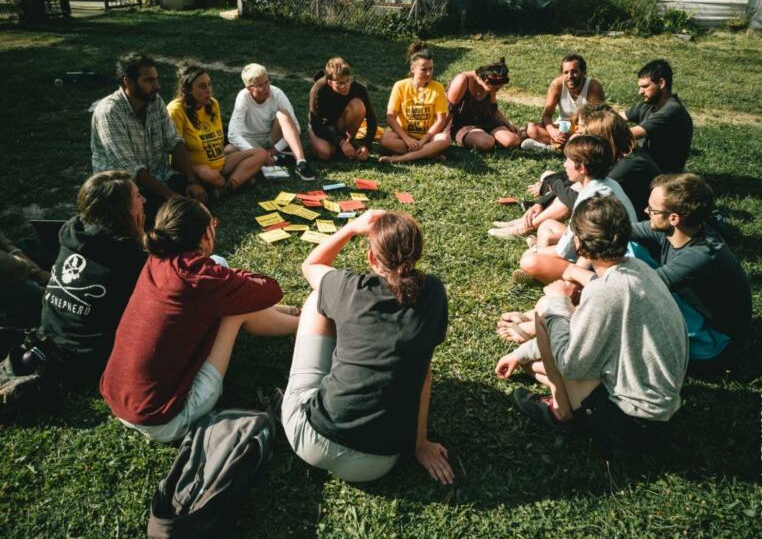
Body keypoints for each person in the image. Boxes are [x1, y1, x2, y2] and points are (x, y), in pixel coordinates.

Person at [495, 195, 688, 457]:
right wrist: (521, 354)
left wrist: (559, 303)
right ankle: (553, 385)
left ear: (578, 242)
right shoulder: (638, 269)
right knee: (535, 366)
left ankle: (560, 413)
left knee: (545, 309)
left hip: (631, 425)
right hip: (661, 410)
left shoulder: (603, 294)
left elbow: (570, 364)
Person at [100, 197, 300, 442]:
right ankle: (307, 324)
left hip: (119, 398)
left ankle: (292, 314)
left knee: (221, 271)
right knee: (233, 310)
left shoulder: (158, 259)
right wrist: (233, 279)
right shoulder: (199, 278)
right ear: (205, 234)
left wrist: (228, 279)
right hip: (167, 419)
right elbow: (270, 289)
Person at [282, 210, 453, 484]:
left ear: (372, 258)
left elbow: (311, 265)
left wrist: (351, 228)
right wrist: (420, 444)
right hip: (375, 464)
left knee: (317, 297)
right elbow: (424, 372)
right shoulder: (433, 292)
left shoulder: (346, 286)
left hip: (310, 440)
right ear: (417, 254)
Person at [34, 171, 148, 383]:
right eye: (138, 196)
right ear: (122, 210)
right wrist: (140, 240)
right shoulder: (127, 257)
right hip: (91, 357)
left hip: (49, 337)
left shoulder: (71, 231)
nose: (144, 200)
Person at [490, 103, 656, 240]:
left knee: (566, 195)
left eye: (588, 136)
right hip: (613, 221)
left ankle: (524, 227)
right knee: (556, 180)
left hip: (633, 232)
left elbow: (578, 197)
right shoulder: (619, 154)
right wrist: (540, 203)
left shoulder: (629, 166)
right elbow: (577, 183)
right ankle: (524, 223)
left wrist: (552, 184)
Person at [632, 173, 751, 362]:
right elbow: (622, 232)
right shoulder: (680, 230)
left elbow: (640, 288)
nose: (646, 210)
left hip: (714, 339)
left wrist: (575, 273)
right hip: (690, 307)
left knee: (636, 298)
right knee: (628, 248)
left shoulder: (702, 255)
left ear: (673, 218)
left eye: (652, 210)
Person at [91, 52, 208, 222]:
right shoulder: (109, 112)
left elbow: (174, 142)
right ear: (128, 82)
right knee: (157, 211)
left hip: (159, 177)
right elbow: (130, 169)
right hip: (124, 188)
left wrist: (191, 181)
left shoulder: (155, 101)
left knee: (198, 191)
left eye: (156, 79)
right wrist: (171, 196)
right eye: (149, 80)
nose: (157, 86)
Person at [516, 135, 637, 285]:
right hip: (604, 247)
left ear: (582, 167)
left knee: (529, 260)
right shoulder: (608, 183)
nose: (565, 164)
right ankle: (544, 268)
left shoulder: (590, 200)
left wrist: (536, 250)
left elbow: (565, 250)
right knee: (547, 226)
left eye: (567, 160)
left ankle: (561, 279)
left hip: (606, 261)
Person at [167, 63, 266, 197]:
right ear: (188, 89)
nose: (208, 90)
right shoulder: (175, 110)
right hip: (196, 169)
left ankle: (227, 187)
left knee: (260, 154)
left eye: (209, 84)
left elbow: (217, 142)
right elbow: (175, 154)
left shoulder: (212, 104)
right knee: (209, 174)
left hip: (221, 163)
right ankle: (238, 180)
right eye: (202, 86)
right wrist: (197, 170)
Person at [227, 63, 317, 181]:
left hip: (272, 139)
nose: (267, 87)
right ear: (249, 88)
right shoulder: (243, 97)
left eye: (267, 82)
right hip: (251, 142)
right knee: (228, 151)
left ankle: (301, 163)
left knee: (283, 114)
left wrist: (273, 150)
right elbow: (232, 134)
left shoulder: (277, 93)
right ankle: (272, 160)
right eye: (260, 85)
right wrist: (256, 153)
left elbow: (295, 127)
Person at [378, 42, 450, 163]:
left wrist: (423, 141)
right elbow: (391, 118)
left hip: (428, 138)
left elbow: (441, 121)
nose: (428, 73)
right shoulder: (400, 86)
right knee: (384, 139)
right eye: (424, 69)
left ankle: (401, 158)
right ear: (413, 68)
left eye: (431, 68)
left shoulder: (438, 88)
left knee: (445, 139)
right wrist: (407, 139)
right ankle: (428, 154)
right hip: (403, 137)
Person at [620, 59, 693, 173]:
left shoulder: (672, 111)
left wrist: (597, 130)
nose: (640, 92)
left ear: (661, 83)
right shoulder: (647, 105)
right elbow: (614, 118)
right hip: (642, 163)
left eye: (645, 86)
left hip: (661, 175)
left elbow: (630, 134)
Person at [522, 54, 605, 152]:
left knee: (583, 138)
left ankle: (551, 148)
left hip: (585, 129)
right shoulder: (557, 85)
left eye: (574, 72)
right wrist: (553, 131)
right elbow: (546, 116)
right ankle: (566, 147)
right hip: (564, 127)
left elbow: (598, 120)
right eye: (566, 72)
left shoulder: (593, 87)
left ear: (583, 72)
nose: (570, 76)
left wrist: (580, 131)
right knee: (532, 129)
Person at [308, 57, 379, 161]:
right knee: (324, 153)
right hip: (322, 126)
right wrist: (340, 142)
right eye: (340, 83)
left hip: (341, 124)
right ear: (330, 82)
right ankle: (340, 145)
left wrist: (366, 145)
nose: (345, 86)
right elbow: (316, 125)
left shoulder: (358, 88)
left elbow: (372, 119)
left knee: (358, 105)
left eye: (348, 80)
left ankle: (348, 141)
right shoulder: (318, 89)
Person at [447, 58, 525, 150]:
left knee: (512, 141)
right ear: (487, 82)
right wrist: (443, 134)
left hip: (487, 120)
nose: (496, 91)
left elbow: (493, 109)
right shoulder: (463, 80)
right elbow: (448, 110)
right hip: (464, 124)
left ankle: (495, 138)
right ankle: (489, 139)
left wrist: (509, 125)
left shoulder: (492, 80)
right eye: (496, 89)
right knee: (486, 143)